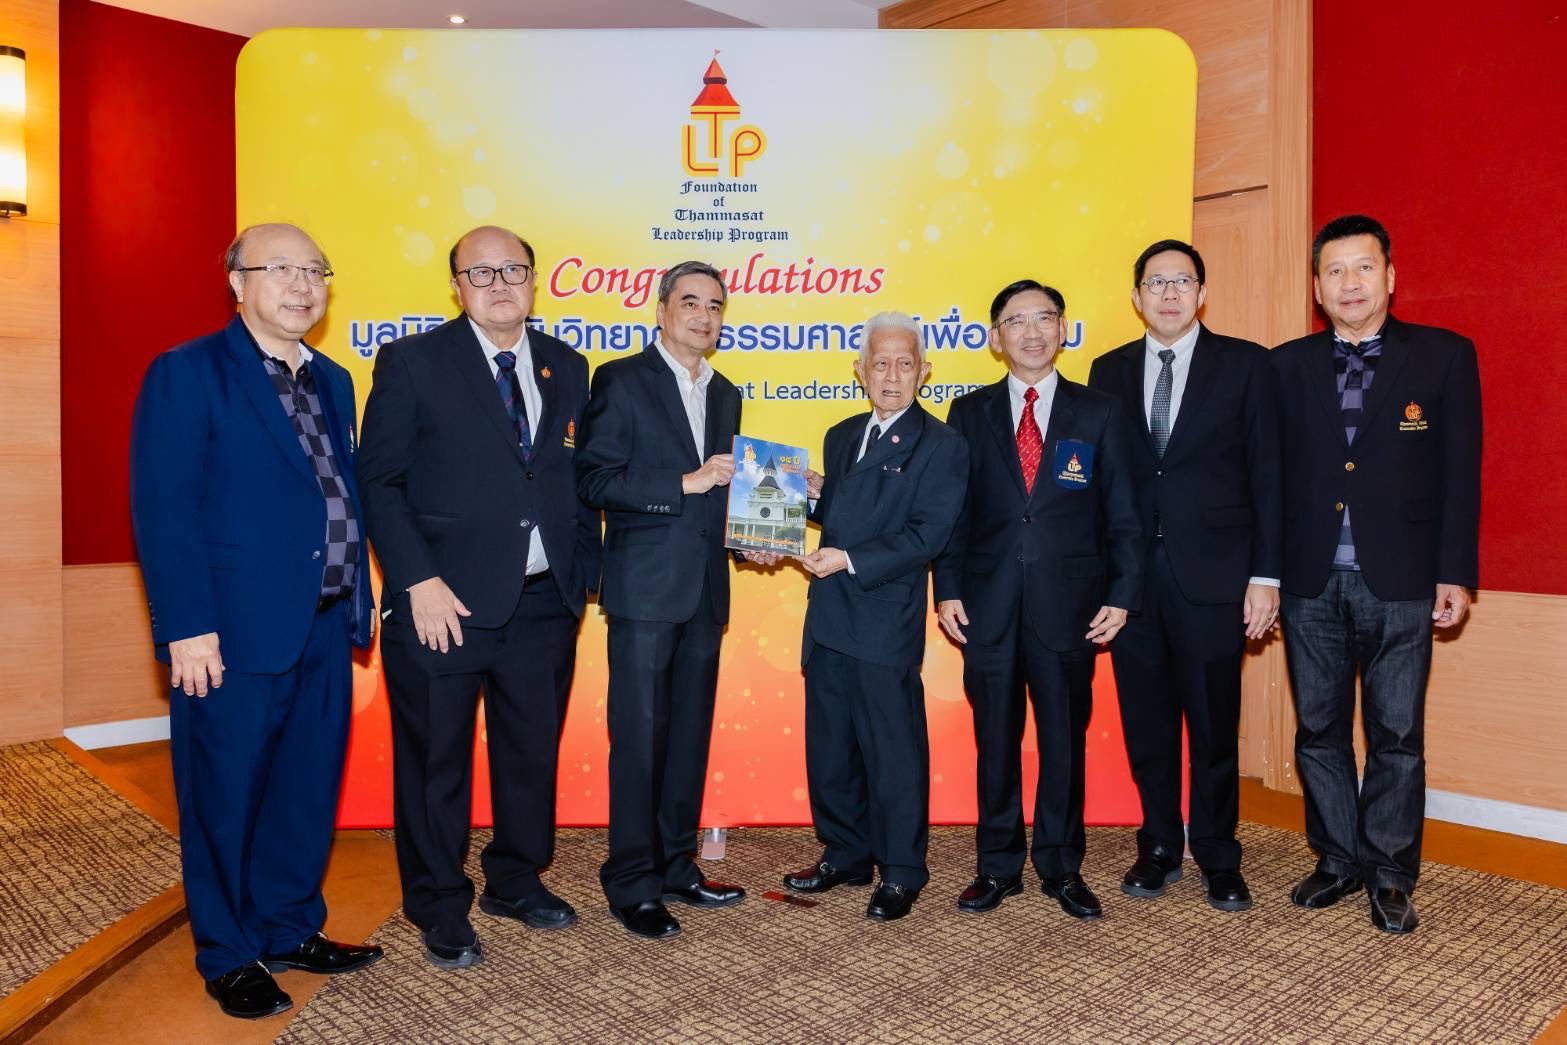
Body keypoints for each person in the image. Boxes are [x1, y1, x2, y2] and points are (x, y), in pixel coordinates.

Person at [130, 223, 381, 1020]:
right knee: (224, 797)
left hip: (324, 622)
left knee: (304, 791)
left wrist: (361, 595)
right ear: (237, 283)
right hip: (229, 633)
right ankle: (230, 951)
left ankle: (289, 926)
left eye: (316, 270)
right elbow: (165, 508)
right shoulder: (188, 372)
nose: (302, 285)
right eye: (281, 268)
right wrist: (186, 625)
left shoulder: (334, 378)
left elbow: (339, 495)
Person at [358, 226, 600, 969]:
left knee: (530, 752)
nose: (500, 285)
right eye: (481, 272)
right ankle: (437, 902)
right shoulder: (412, 361)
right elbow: (380, 482)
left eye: (513, 270)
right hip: (443, 605)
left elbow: (572, 478)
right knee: (437, 762)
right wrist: (416, 581)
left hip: (543, 603)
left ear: (534, 280)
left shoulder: (566, 363)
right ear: (457, 286)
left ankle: (515, 879)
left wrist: (581, 578)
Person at [1273, 215, 1481, 934]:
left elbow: (1460, 473)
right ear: (1316, 287)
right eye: (1334, 271)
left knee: (1396, 734)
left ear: (1390, 276)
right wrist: (1264, 575)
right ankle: (1336, 858)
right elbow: (1268, 477)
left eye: (1363, 267)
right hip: (1309, 582)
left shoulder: (1443, 356)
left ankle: (1390, 872)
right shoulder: (1285, 366)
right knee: (1318, 729)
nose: (1350, 283)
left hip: (1402, 579)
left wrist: (1454, 571)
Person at [934, 279, 1141, 920]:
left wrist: (1122, 594)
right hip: (987, 607)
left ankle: (1061, 865)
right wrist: (947, 589)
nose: (1031, 332)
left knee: (1063, 743)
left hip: (1071, 608)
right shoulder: (968, 413)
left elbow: (1124, 514)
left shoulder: (1100, 411)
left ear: (1062, 329)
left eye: (1044, 318)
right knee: (995, 741)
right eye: (1016, 321)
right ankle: (997, 866)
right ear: (996, 338)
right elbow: (953, 512)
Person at [1087, 240, 1282, 912]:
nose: (1168, 293)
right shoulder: (1107, 369)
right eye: (1155, 282)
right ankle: (1159, 846)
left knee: (1212, 725)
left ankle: (1219, 855)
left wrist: (1265, 576)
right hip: (1132, 582)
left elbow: (1268, 475)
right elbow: (1102, 483)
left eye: (1182, 281)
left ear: (1202, 293)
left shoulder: (1247, 365)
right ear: (1136, 296)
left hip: (1216, 577)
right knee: (1147, 725)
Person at [576, 260, 759, 940]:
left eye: (715, 306)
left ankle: (676, 865)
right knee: (639, 741)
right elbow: (594, 480)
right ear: (661, 310)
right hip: (644, 591)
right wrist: (683, 481)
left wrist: (749, 539)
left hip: (705, 590)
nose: (703, 316)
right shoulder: (621, 380)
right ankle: (631, 881)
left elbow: (724, 494)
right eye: (690, 302)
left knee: (686, 739)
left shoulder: (727, 392)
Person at [781, 312, 968, 921]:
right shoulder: (841, 434)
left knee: (893, 753)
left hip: (883, 617)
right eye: (880, 363)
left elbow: (928, 534)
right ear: (859, 371)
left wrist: (848, 558)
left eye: (904, 363)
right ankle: (846, 852)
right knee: (831, 748)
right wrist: (812, 496)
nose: (891, 375)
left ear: (924, 371)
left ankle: (902, 870)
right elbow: (848, 511)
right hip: (829, 615)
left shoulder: (941, 444)